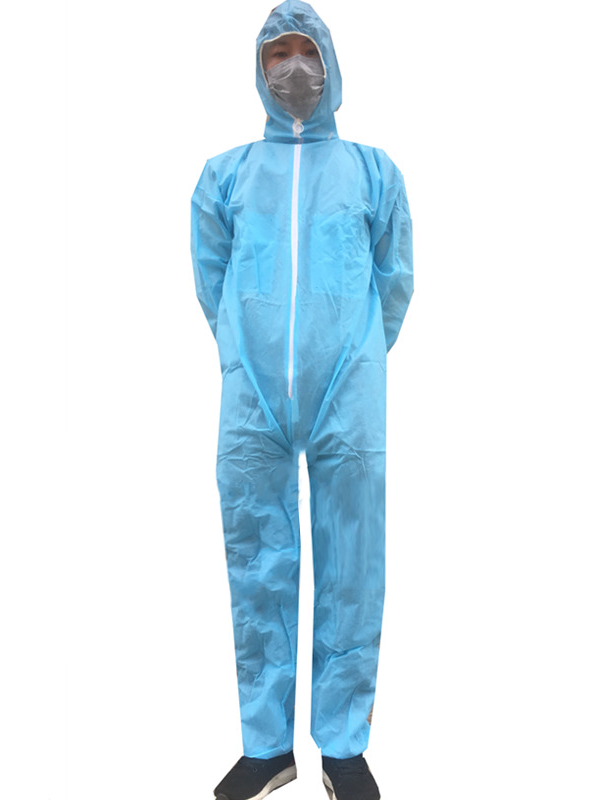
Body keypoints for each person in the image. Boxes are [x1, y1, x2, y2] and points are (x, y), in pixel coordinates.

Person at [190, 2, 413, 798]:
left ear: (330, 62)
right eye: (276, 53)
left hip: (347, 392)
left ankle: (343, 748)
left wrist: (354, 353)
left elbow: (395, 279)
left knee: (353, 561)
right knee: (256, 561)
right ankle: (267, 748)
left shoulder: (373, 172)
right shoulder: (224, 176)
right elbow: (212, 283)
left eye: (304, 51)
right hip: (252, 394)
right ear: (259, 70)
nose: (292, 67)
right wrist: (246, 353)